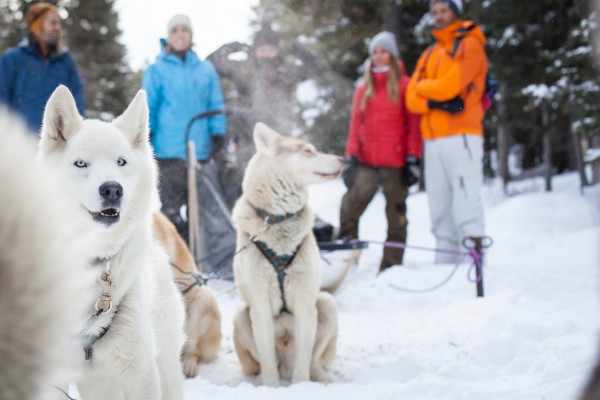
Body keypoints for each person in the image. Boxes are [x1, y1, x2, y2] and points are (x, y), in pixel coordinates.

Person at [406, 0, 488, 263]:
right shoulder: (430, 53)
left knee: (466, 201)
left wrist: (425, 89)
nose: (439, 16)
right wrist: (434, 100)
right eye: (435, 12)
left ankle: (475, 265)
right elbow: (410, 97)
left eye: (444, 11)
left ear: (456, 12)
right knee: (439, 205)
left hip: (462, 134)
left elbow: (451, 85)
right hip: (433, 138)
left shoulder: (470, 44)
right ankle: (444, 263)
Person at [339, 31, 422, 274]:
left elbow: (413, 127)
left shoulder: (406, 86)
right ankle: (348, 259)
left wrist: (413, 158)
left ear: (393, 55)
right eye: (375, 51)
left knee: (396, 214)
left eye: (384, 51)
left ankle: (392, 264)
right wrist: (350, 158)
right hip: (366, 162)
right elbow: (355, 127)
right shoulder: (363, 88)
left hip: (396, 163)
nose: (379, 56)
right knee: (349, 207)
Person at [142, 14, 227, 243]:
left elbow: (216, 104)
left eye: (184, 30)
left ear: (191, 36)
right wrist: (145, 134)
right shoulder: (157, 70)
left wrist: (218, 134)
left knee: (199, 210)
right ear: (168, 37)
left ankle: (198, 256)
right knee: (171, 210)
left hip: (199, 151)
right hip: (168, 151)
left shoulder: (206, 69)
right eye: (175, 30)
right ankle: (172, 259)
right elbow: (148, 105)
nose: (180, 34)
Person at [0, 2, 85, 133]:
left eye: (59, 23)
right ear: (37, 26)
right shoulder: (12, 59)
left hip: (56, 144)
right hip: (20, 142)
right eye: (53, 23)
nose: (58, 28)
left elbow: (78, 103)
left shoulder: (66, 62)